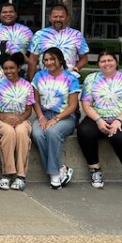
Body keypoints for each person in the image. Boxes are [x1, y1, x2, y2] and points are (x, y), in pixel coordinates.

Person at [77, 51, 122, 191]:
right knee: (84, 131)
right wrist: (98, 120)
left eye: (110, 60)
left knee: (119, 138)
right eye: (103, 61)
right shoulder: (91, 79)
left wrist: (119, 121)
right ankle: (95, 170)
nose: (107, 63)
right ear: (98, 64)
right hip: (98, 117)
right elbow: (86, 105)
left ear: (116, 62)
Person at [31, 47, 79, 190]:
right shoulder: (39, 76)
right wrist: (41, 117)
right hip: (44, 115)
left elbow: (73, 106)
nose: (49, 62)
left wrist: (55, 119)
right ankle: (60, 169)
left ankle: (54, 175)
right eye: (46, 60)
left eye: (52, 59)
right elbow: (35, 101)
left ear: (60, 60)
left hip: (65, 117)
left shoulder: (71, 78)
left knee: (52, 132)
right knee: (37, 134)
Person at [0, 52, 35, 191]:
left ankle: (21, 176)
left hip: (21, 117)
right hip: (2, 117)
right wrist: (2, 117)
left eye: (12, 68)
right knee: (9, 132)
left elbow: (29, 110)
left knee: (21, 133)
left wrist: (20, 119)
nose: (8, 71)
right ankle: (7, 174)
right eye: (6, 68)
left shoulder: (27, 86)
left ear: (19, 68)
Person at [28, 2, 89, 81]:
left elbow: (84, 58)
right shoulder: (39, 35)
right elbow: (32, 60)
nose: (58, 19)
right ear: (50, 18)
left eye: (61, 17)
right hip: (44, 80)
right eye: (55, 17)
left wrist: (76, 69)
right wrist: (32, 81)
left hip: (68, 79)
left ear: (67, 17)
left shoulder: (77, 35)